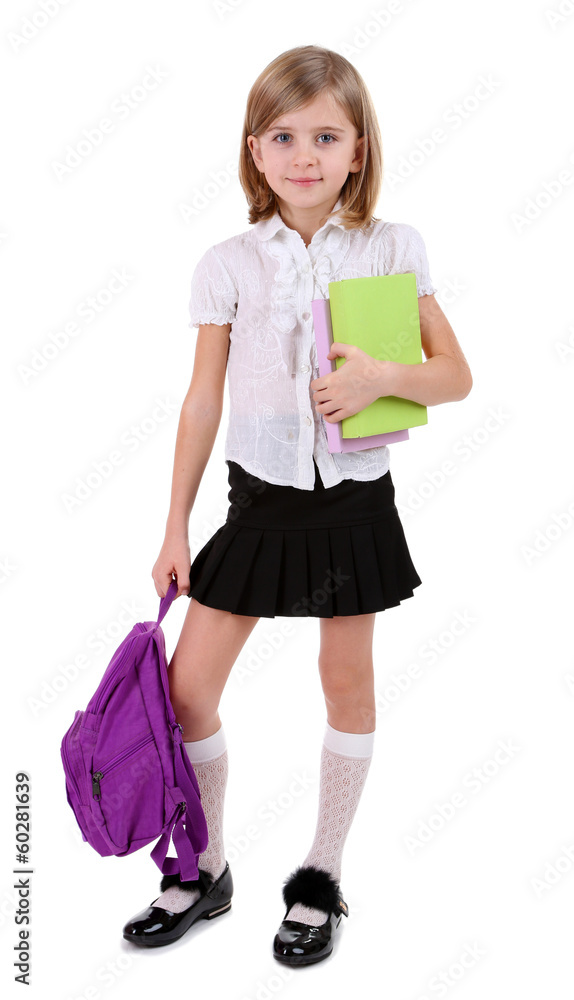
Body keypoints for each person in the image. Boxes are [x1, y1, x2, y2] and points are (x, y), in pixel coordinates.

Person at [122, 44, 472, 965]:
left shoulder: (394, 247)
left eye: (325, 136)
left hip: (353, 505)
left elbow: (456, 375)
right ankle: (205, 865)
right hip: (257, 506)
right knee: (187, 693)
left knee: (346, 681)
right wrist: (174, 526)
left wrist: (381, 378)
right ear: (254, 150)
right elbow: (202, 400)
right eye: (282, 136)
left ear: (359, 149)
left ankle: (322, 873)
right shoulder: (227, 263)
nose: (303, 155)